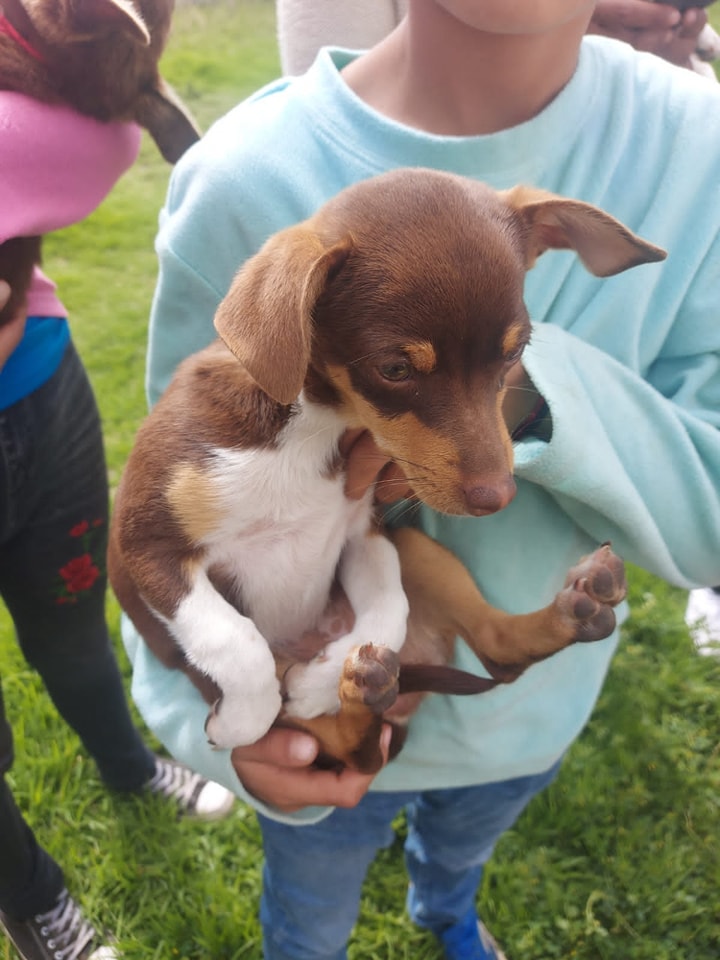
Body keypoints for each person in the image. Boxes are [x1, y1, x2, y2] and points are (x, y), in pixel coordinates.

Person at [123, 2, 720, 958]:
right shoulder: (239, 183)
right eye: (404, 370)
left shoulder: (699, 148)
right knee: (310, 923)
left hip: (525, 728)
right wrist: (219, 734)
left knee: (459, 860)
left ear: (556, 237)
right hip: (305, 736)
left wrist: (539, 387)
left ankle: (445, 910)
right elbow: (161, 532)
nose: (489, 481)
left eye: (504, 361)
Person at [0, 95, 235, 960]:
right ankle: (33, 899)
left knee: (72, 628)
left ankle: (129, 767)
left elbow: (89, 134)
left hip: (35, 387)